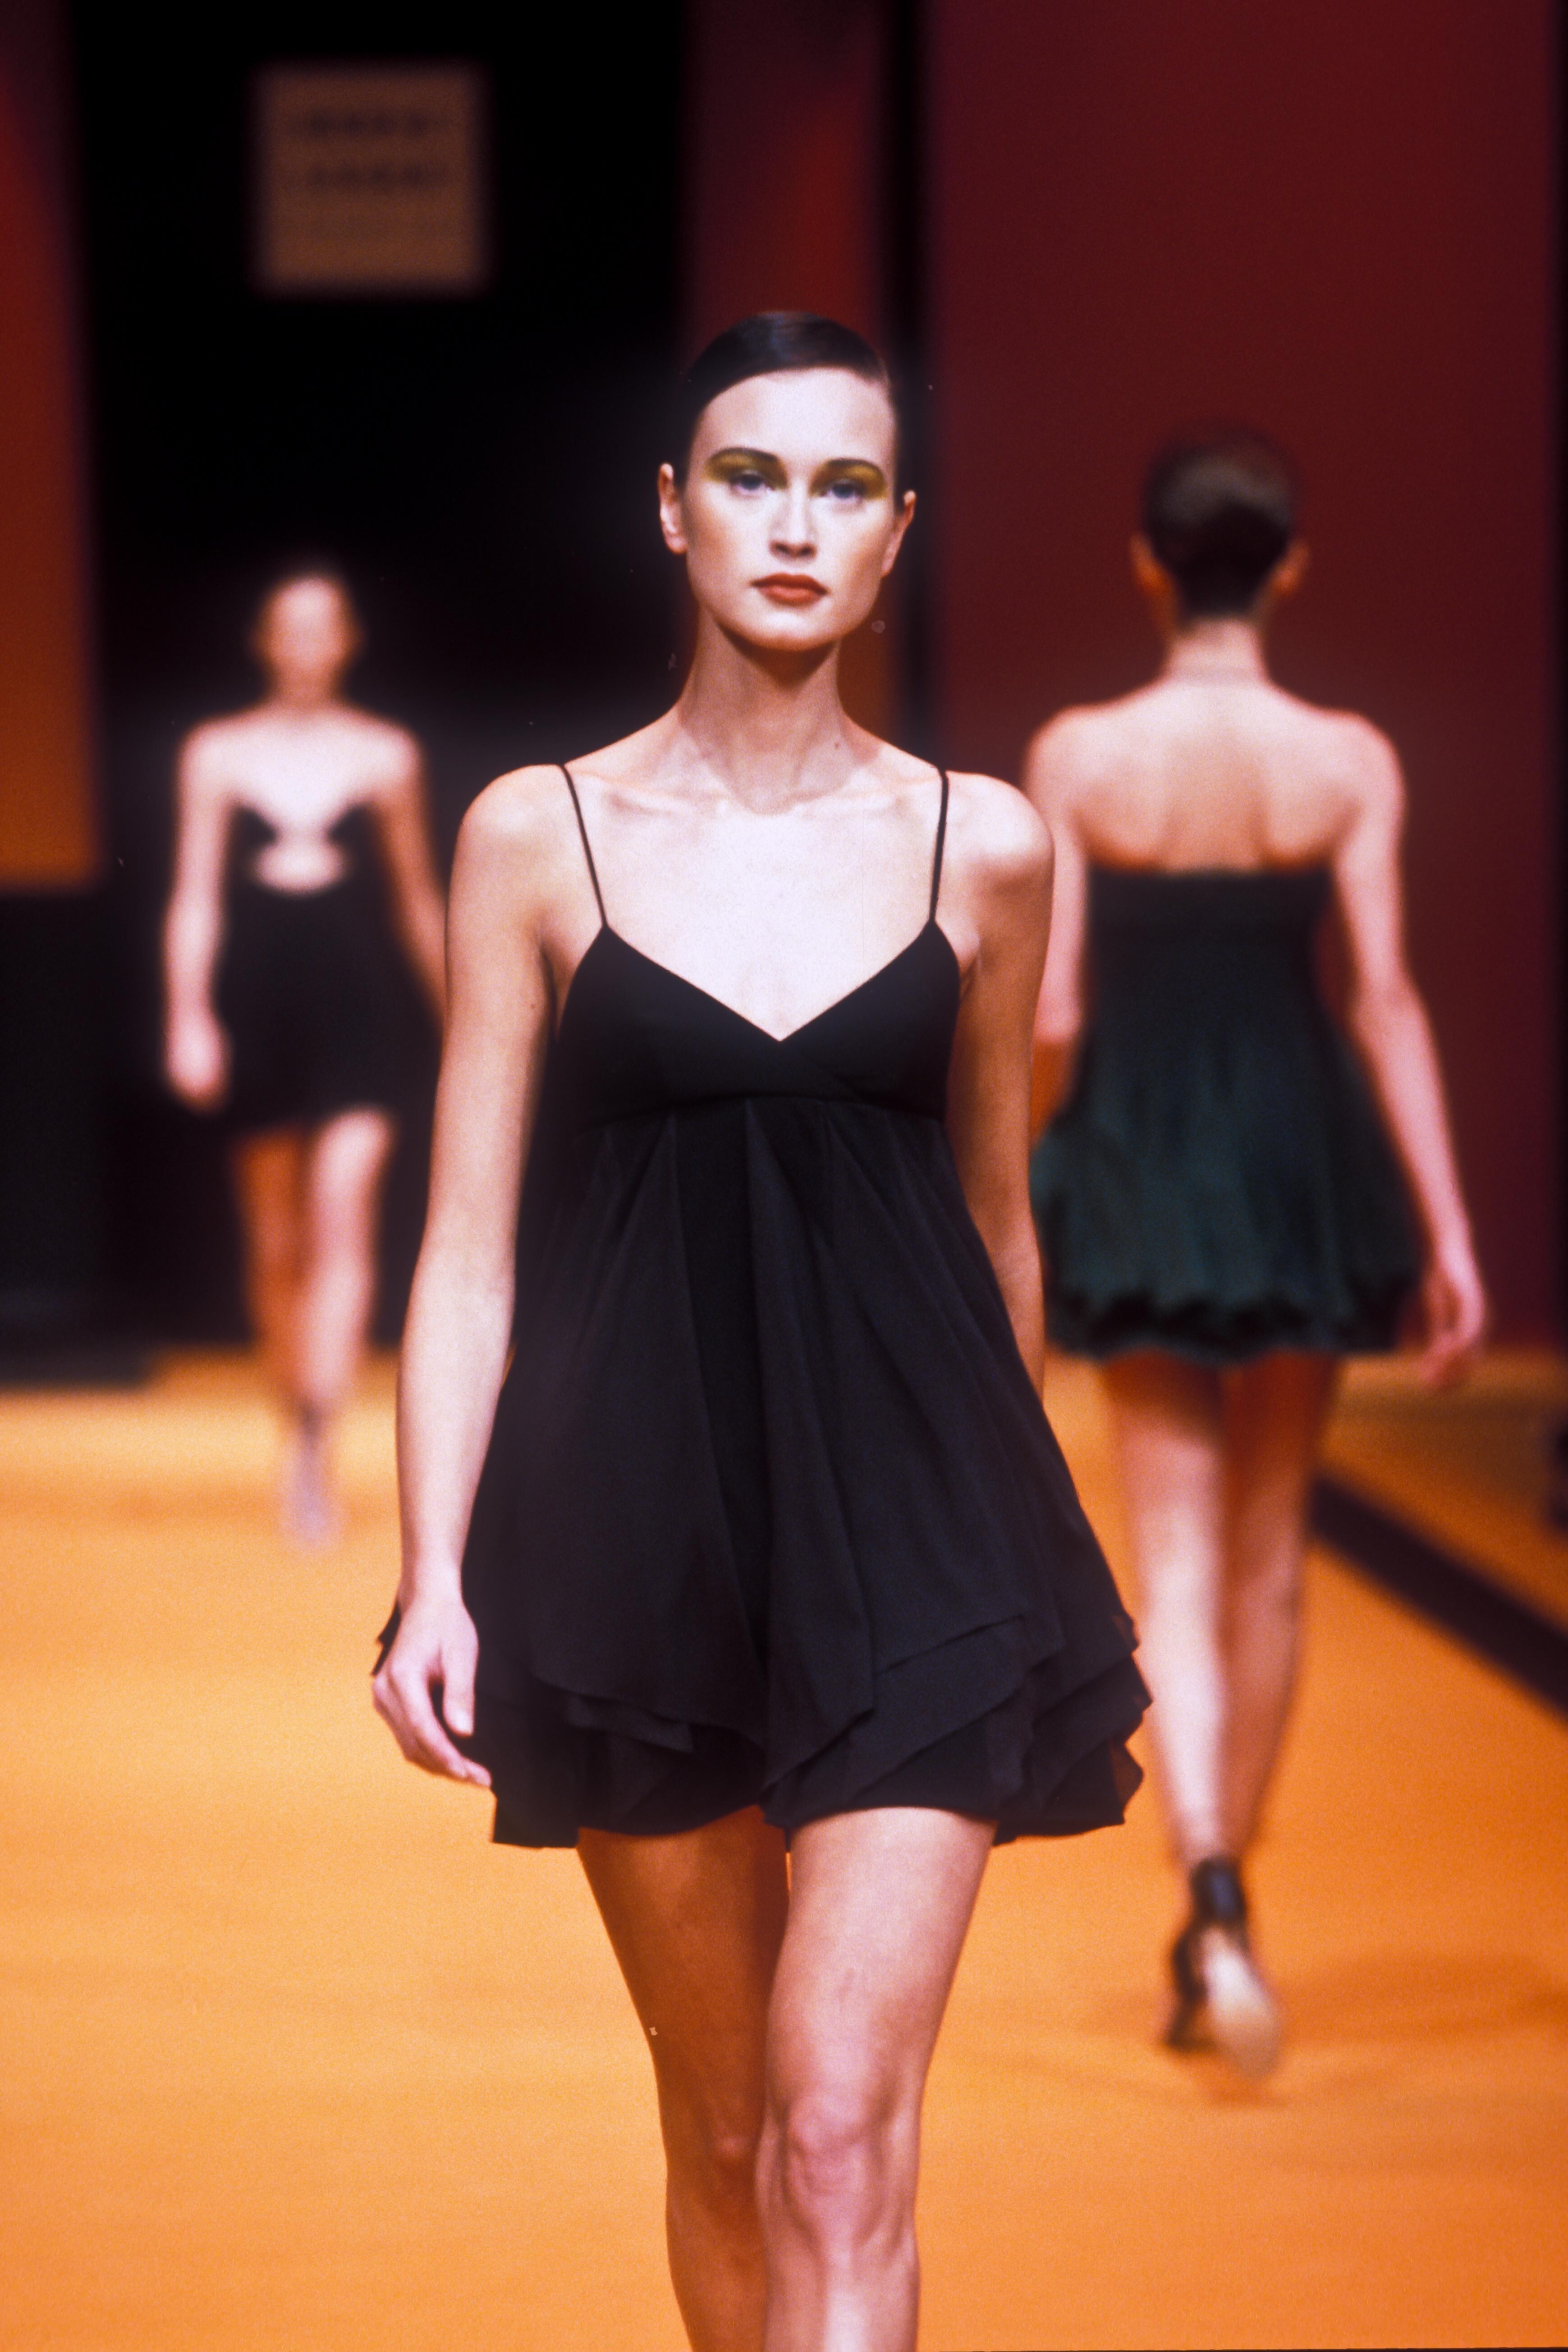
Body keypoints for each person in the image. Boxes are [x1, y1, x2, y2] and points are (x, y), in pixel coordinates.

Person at [372, 313, 1148, 2352]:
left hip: (919, 1529)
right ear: (671, 511)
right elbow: (466, 1248)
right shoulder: (536, 829)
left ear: (894, 536)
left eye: (841, 486)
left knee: (832, 2131)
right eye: (747, 475)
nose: (793, 524)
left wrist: (1006, 1543)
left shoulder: (983, 841)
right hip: (629, 1530)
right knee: (722, 2131)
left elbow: (996, 1221)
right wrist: (433, 1569)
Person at [1026, 429, 1487, 2077]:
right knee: (1269, 1544)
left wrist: (1020, 1182)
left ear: (1147, 564)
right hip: (1296, 1152)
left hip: (1138, 1154)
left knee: (1168, 1550)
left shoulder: (1079, 752)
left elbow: (1054, 1006)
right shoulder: (1344, 756)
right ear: (1284, 566)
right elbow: (1384, 998)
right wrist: (1443, 1223)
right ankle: (1227, 1905)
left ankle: (1204, 1878)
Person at [164, 573, 446, 1541]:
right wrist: (189, 1016)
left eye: (322, 627)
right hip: (258, 1008)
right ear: (264, 639)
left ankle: (315, 1450)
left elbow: (415, 896)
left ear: (347, 640)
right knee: (275, 1241)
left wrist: (463, 1015)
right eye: (290, 627)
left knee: (341, 1216)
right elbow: (195, 893)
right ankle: (295, 1419)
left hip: (359, 1006)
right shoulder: (216, 752)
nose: (306, 645)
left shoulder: (386, 754)